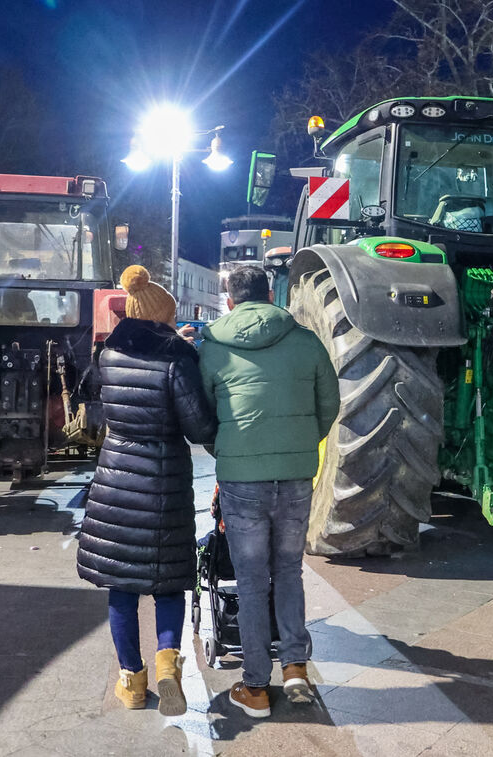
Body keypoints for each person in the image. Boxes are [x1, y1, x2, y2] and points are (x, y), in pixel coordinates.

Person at [199, 265, 339, 718]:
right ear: (272, 293)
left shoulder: (213, 347)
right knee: (290, 572)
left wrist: (226, 448)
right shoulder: (305, 340)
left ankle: (256, 687)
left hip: (241, 481)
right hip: (296, 475)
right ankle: (295, 670)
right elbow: (328, 406)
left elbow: (203, 414)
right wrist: (299, 444)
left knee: (253, 582)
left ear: (230, 299)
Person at [77, 265, 216, 715]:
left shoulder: (107, 356)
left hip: (115, 480)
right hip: (163, 485)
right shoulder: (176, 360)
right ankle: (168, 667)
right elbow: (198, 428)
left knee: (121, 587)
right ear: (163, 317)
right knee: (168, 583)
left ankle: (132, 684)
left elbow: (99, 410)